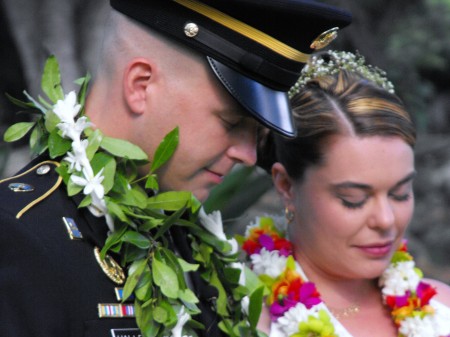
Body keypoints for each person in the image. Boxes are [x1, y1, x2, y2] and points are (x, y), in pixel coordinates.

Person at [0, 1, 352, 337]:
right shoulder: (19, 237)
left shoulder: (191, 244)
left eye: (256, 134)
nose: (247, 155)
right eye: (231, 123)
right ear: (141, 85)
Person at [243, 51, 450, 337]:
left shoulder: (442, 308)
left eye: (400, 193)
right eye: (354, 199)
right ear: (286, 186)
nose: (386, 220)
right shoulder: (244, 320)